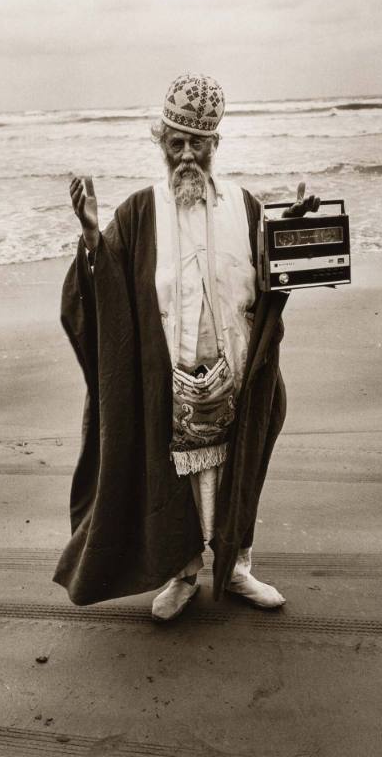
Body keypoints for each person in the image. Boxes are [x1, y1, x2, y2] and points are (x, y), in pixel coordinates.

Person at [53, 73, 320, 621]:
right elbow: (104, 289)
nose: (187, 155)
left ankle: (238, 567)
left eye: (198, 143)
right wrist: (90, 238)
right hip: (167, 377)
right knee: (173, 481)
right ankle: (181, 574)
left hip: (239, 371)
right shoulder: (139, 211)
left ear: (215, 144)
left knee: (238, 470)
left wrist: (299, 221)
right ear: (161, 142)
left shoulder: (245, 208)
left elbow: (278, 267)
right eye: (175, 142)